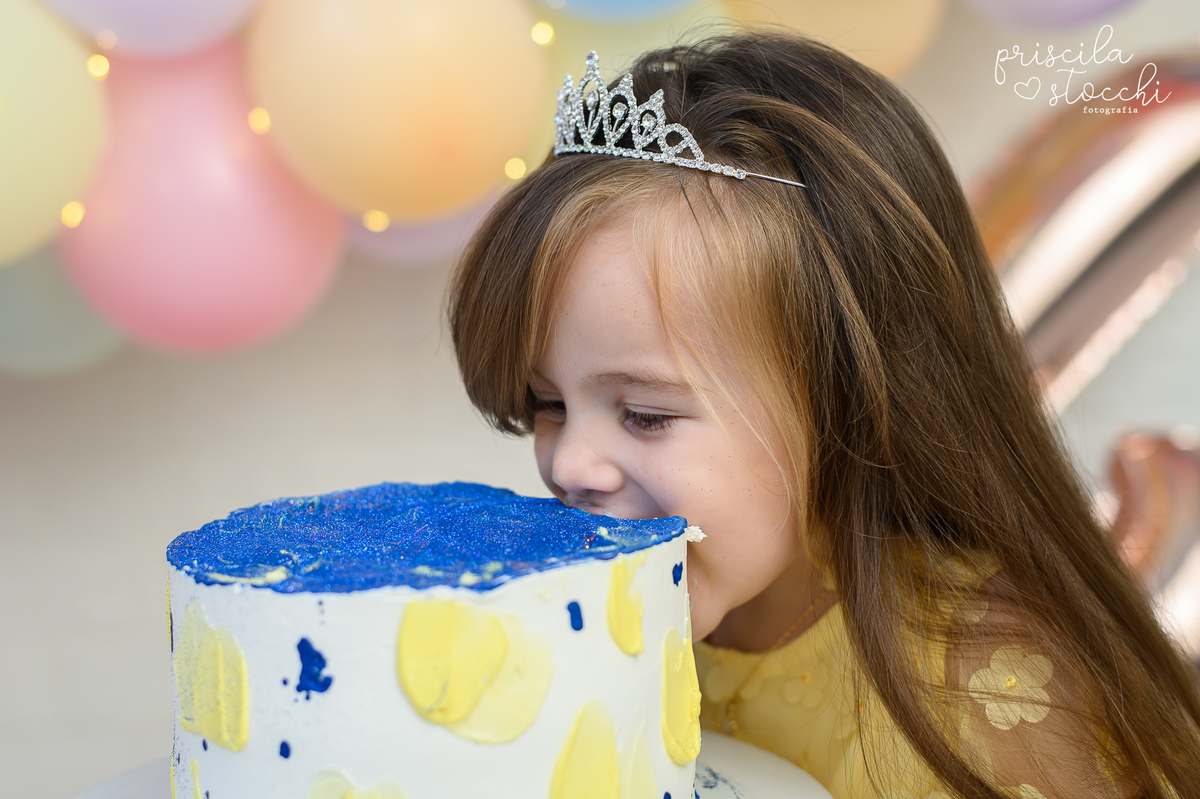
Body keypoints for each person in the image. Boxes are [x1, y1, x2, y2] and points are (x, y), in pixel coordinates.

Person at [448, 31, 1200, 799]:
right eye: (547, 403)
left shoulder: (994, 699)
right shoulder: (572, 631)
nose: (569, 463)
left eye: (643, 414)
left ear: (841, 394)